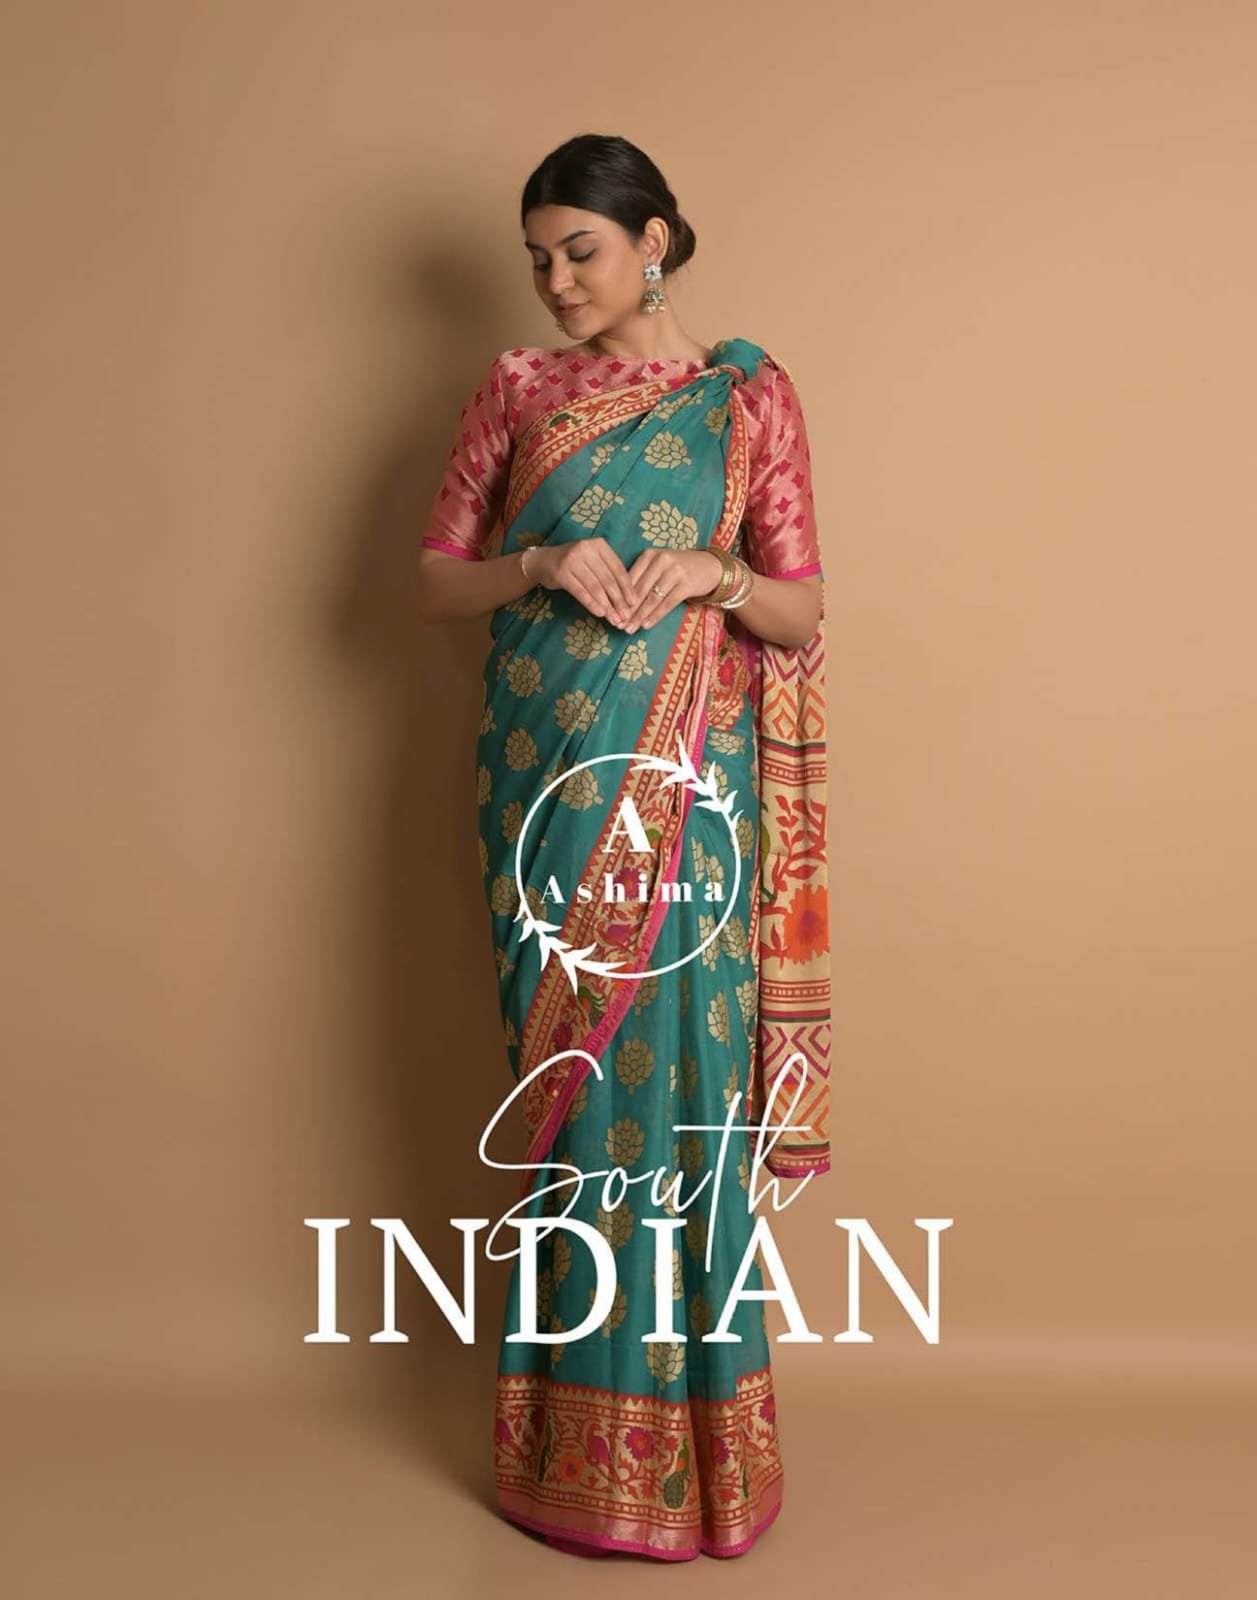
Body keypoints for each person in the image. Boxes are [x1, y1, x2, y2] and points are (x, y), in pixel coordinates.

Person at [416, 134, 831, 1561]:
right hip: (540, 783)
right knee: (576, 1100)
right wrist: (531, 566)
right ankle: (561, 1456)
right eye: (536, 256)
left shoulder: (743, 395)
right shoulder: (515, 391)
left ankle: (695, 1461)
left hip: (686, 794)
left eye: (578, 249)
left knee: (686, 1098)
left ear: (652, 238)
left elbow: (799, 608)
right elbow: (431, 578)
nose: (553, 281)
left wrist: (719, 573)